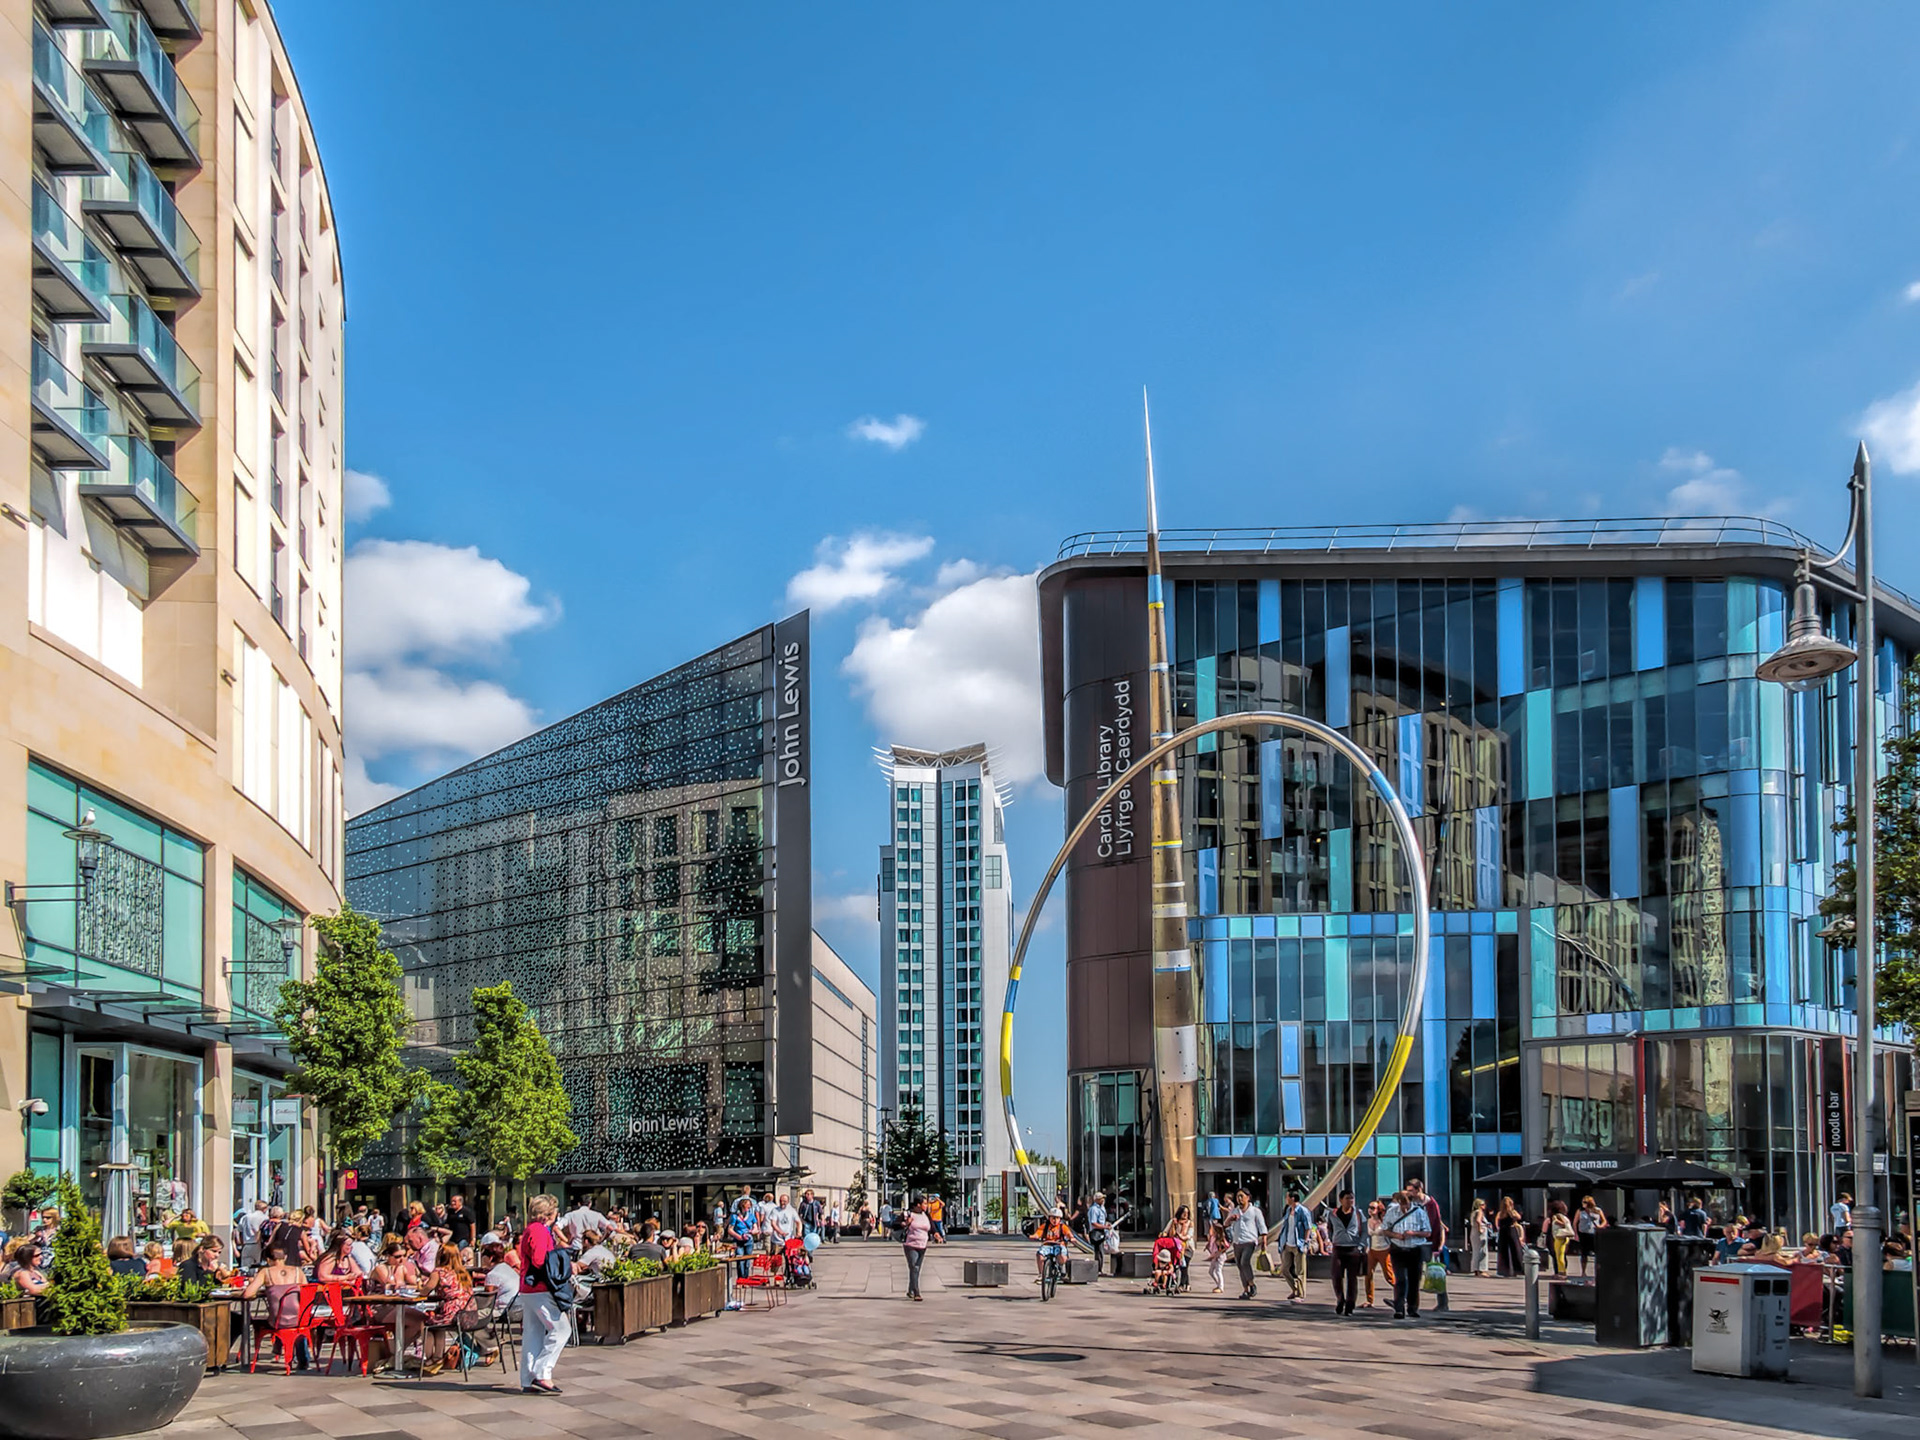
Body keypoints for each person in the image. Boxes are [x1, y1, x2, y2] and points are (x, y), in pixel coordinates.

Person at [516, 1193, 573, 1396]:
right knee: (562, 1329)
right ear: (548, 1213)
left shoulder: (531, 1229)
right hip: (540, 1288)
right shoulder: (540, 1231)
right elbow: (541, 1261)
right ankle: (542, 1371)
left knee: (533, 1333)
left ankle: (528, 1377)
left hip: (528, 1287)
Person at [243, 1241, 314, 1370]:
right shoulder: (298, 1272)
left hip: (277, 1321)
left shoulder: (266, 1272)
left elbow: (247, 1294)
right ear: (285, 1257)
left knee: (265, 1321)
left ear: (268, 1259)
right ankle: (301, 1357)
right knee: (297, 1323)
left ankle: (276, 1347)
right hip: (300, 1319)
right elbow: (307, 1294)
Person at [1383, 1190, 1431, 1321]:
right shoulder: (1392, 1212)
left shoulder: (1420, 1213)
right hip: (1398, 1249)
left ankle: (1412, 1308)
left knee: (1414, 1280)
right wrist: (1396, 1235)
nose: (1404, 1207)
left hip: (1415, 1249)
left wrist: (1413, 1233)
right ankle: (1399, 1308)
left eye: (1406, 1204)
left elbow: (1427, 1232)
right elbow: (1385, 1230)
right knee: (1400, 1279)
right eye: (1401, 1204)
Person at [1327, 1190, 1367, 1317]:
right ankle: (1340, 1299)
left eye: (1352, 1198)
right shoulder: (1333, 1214)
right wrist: (1332, 1239)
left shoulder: (1358, 1213)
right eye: (1347, 1198)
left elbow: (1365, 1231)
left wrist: (1361, 1245)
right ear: (1341, 1200)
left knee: (1352, 1278)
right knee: (1336, 1275)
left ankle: (1350, 1304)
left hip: (1353, 1248)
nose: (1350, 1201)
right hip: (1338, 1248)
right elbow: (1329, 1229)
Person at [1225, 1190, 1266, 1300]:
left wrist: (1264, 1241)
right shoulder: (1234, 1211)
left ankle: (1252, 1284)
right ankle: (1246, 1290)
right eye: (1238, 1196)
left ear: (1248, 1197)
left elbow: (1262, 1226)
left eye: (1242, 1196)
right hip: (1237, 1241)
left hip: (1250, 1241)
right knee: (1239, 1265)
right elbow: (1225, 1224)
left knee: (1244, 1262)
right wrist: (1231, 1218)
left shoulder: (1255, 1211)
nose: (1239, 1199)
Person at [1273, 1188, 1312, 1303]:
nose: (1286, 1199)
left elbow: (1308, 1227)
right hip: (1287, 1243)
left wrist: (1305, 1242)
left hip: (1298, 1243)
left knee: (1300, 1270)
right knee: (1285, 1269)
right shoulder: (1288, 1210)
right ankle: (1295, 1289)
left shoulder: (1303, 1211)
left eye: (1287, 1197)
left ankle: (1301, 1294)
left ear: (1292, 1198)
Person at [901, 1197, 932, 1301]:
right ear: (918, 1205)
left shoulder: (925, 1215)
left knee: (916, 1268)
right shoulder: (908, 1214)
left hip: (923, 1245)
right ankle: (916, 1292)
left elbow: (931, 1227)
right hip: (910, 1245)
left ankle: (910, 1290)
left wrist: (937, 1234)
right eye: (925, 1203)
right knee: (914, 1267)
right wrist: (906, 1223)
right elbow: (895, 1224)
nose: (926, 1205)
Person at [1364, 1200, 1394, 1307]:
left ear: (1378, 1210)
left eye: (1373, 1208)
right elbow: (1367, 1235)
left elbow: (1390, 1234)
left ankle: (1401, 1294)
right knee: (1368, 1274)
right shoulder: (1368, 1221)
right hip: (1372, 1249)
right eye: (1369, 1207)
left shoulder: (1384, 1222)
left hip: (1384, 1250)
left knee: (1389, 1276)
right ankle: (1369, 1300)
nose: (1370, 1210)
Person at [1034, 1203, 1072, 1283]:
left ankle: (1062, 1270)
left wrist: (1071, 1237)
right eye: (1053, 1218)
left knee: (1062, 1257)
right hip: (1047, 1245)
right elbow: (1038, 1232)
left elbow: (1068, 1233)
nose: (1055, 1220)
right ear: (1049, 1218)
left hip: (1059, 1245)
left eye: (1057, 1218)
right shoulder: (1045, 1226)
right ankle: (1041, 1274)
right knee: (1040, 1254)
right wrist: (1035, 1236)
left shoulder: (1062, 1226)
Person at [1573, 1195, 1607, 1277]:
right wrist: (1575, 1234)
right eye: (1583, 1202)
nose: (1583, 1204)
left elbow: (1604, 1221)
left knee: (1597, 1253)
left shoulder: (1597, 1210)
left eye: (1585, 1202)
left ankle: (1597, 1272)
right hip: (1583, 1233)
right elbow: (1575, 1222)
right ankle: (1583, 1272)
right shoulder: (1580, 1211)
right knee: (1584, 1253)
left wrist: (1600, 1226)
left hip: (1594, 1233)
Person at [1496, 1196, 1527, 1278]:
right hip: (1511, 1230)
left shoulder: (1500, 1213)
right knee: (1515, 1250)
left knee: (1504, 1251)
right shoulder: (1512, 1212)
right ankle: (1516, 1269)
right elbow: (1519, 1217)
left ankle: (1505, 1270)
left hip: (1503, 1232)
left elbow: (1497, 1223)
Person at [236, 1201, 268, 1269]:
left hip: (246, 1245)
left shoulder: (246, 1217)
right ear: (264, 1209)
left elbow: (239, 1231)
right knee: (256, 1268)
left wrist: (241, 1243)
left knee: (245, 1268)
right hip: (258, 1245)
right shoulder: (265, 1218)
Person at [1546, 1201, 1574, 1276]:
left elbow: (1563, 1224)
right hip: (1564, 1237)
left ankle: (1562, 1272)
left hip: (1560, 1237)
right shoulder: (1564, 1216)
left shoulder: (1557, 1216)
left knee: (1559, 1255)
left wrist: (1555, 1221)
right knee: (1561, 1255)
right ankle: (1562, 1271)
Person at [1467, 1198, 1494, 1277]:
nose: (1484, 1206)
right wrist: (1481, 1229)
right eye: (1482, 1204)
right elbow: (1479, 1221)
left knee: (1475, 1252)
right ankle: (1481, 1270)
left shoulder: (1473, 1213)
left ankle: (1475, 1269)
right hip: (1480, 1233)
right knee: (1482, 1251)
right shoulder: (1479, 1212)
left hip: (1473, 1232)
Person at [1205, 1218, 1231, 1293]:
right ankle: (1218, 1284)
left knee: (1218, 1271)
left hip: (1219, 1257)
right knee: (1211, 1271)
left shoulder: (1219, 1240)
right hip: (1215, 1256)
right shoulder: (1214, 1237)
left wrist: (1216, 1255)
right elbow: (1211, 1243)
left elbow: (1224, 1248)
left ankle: (1221, 1287)